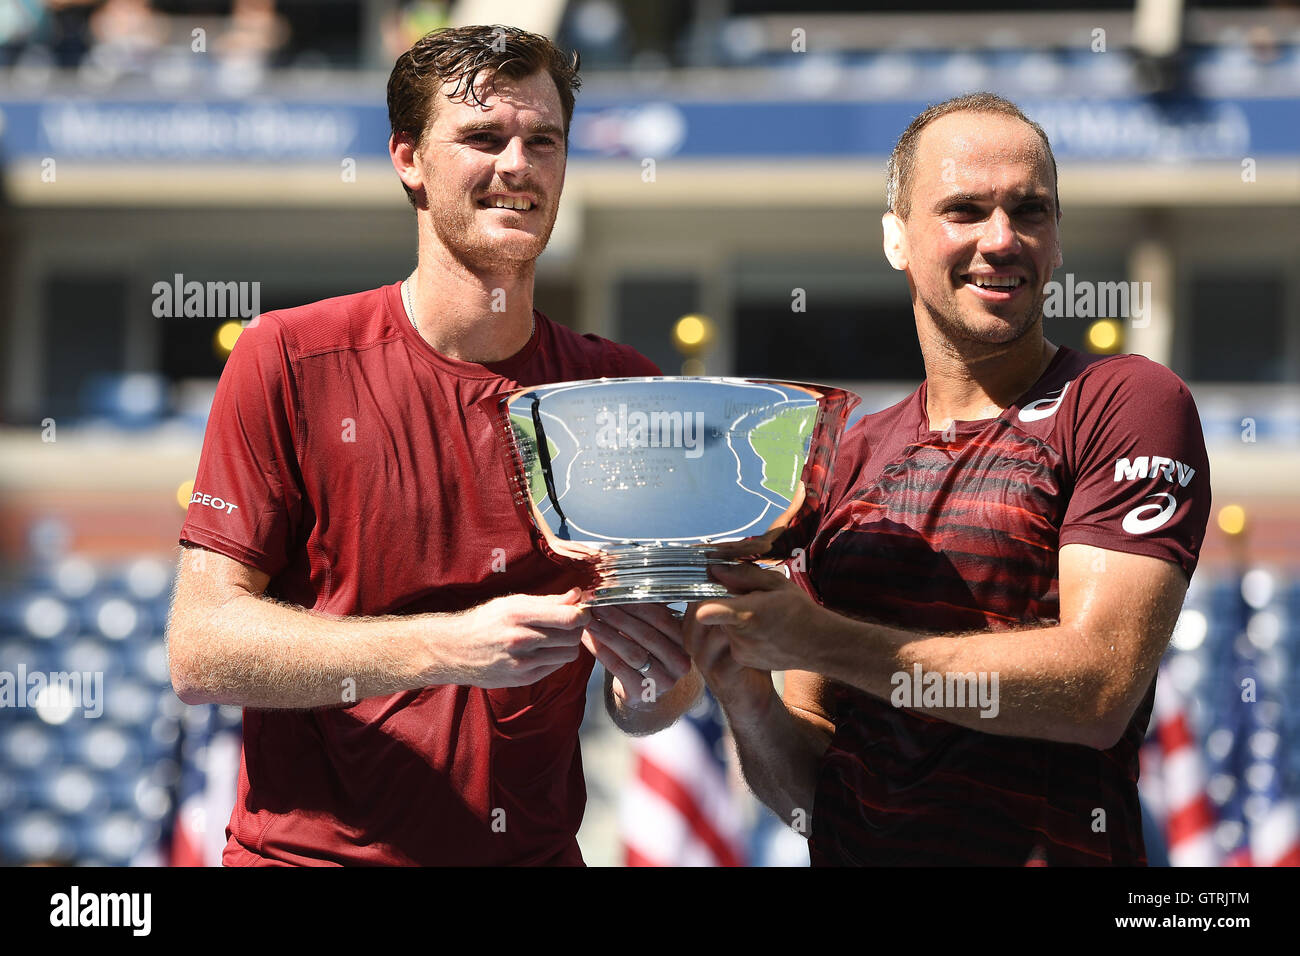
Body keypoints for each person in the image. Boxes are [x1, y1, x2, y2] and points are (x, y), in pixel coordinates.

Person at [167, 24, 699, 867]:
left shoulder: (618, 389)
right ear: (407, 158)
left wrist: (651, 681)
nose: (517, 166)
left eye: (543, 141)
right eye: (483, 138)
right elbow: (201, 650)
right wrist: (451, 647)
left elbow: (658, 698)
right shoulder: (289, 357)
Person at [684, 92, 1211, 866]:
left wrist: (825, 640)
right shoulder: (845, 456)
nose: (1002, 240)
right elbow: (809, 795)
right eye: (964, 210)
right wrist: (744, 694)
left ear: (1057, 240)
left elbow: (1098, 688)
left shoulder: (1125, 402)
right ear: (897, 238)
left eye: (1030, 211)